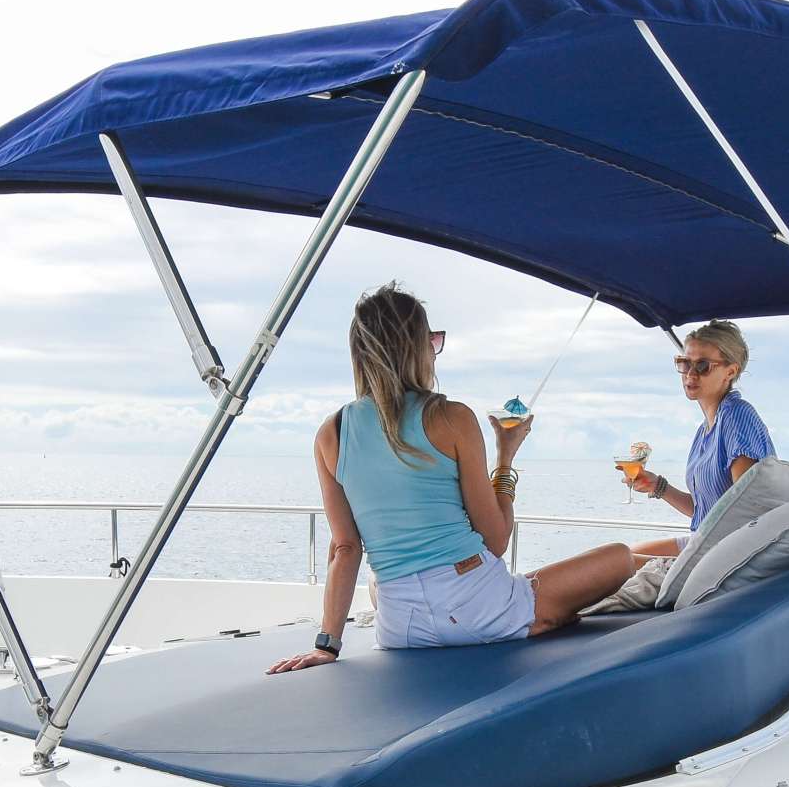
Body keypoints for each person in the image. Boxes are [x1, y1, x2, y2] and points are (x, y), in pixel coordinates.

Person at [268, 284, 641, 673]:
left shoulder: (330, 434)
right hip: (481, 606)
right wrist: (505, 457)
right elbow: (495, 540)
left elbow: (345, 548)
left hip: (400, 625)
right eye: (432, 341)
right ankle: (538, 619)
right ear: (417, 347)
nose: (434, 351)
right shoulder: (452, 417)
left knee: (381, 586)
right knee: (619, 557)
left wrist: (327, 646)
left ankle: (530, 615)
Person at [625, 320, 773, 557]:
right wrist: (658, 486)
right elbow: (705, 512)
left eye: (703, 366)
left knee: (615, 561)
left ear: (731, 371)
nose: (690, 374)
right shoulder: (705, 430)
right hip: (704, 541)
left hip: (727, 552)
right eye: (685, 363)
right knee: (624, 553)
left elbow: (748, 510)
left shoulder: (737, 416)